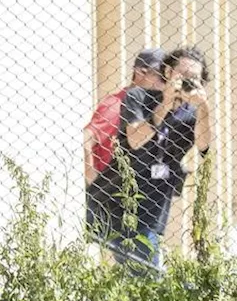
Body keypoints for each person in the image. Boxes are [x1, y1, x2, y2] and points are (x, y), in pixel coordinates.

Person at [94, 45, 215, 275]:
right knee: (148, 278)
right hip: (117, 203)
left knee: (142, 278)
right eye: (183, 76)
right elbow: (135, 140)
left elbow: (204, 147)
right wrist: (165, 104)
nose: (188, 82)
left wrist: (203, 107)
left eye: (195, 79)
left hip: (153, 210)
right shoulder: (138, 97)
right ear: (168, 73)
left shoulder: (192, 114)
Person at [82, 48, 166, 247]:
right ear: (140, 72)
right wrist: (95, 182)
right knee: (145, 271)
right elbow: (85, 140)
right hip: (116, 203)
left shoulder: (152, 107)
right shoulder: (117, 105)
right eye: (160, 76)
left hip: (140, 204)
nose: (165, 83)